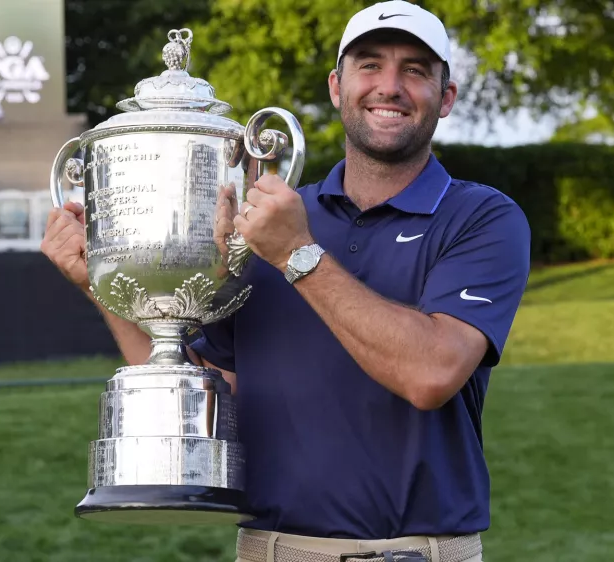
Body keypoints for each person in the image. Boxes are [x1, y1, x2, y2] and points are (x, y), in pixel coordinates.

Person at [42, 1, 531, 560]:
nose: (389, 86)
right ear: (336, 86)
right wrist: (103, 286)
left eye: (415, 70)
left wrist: (298, 254)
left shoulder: (481, 217)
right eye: (368, 65)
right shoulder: (266, 221)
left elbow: (432, 372)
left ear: (445, 98)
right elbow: (209, 391)